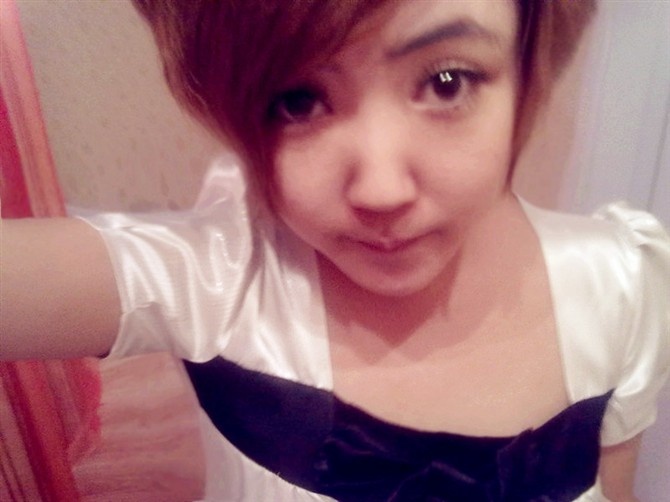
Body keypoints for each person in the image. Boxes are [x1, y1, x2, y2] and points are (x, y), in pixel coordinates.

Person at [2, 1, 669, 500]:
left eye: (447, 82)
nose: (381, 189)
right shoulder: (221, 282)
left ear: (526, 71)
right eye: (299, 101)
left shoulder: (624, 287)